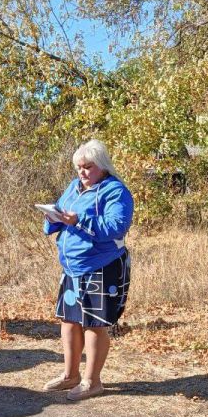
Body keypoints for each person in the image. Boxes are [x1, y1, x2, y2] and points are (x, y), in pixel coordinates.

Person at [42, 139, 134, 401]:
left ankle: (92, 381)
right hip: (72, 267)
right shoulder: (74, 187)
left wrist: (80, 220)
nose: (82, 172)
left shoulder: (115, 191)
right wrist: (53, 217)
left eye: (87, 167)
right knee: (69, 321)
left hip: (101, 266)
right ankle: (70, 375)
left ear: (102, 165)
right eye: (79, 167)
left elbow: (116, 227)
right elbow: (61, 216)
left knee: (94, 324)